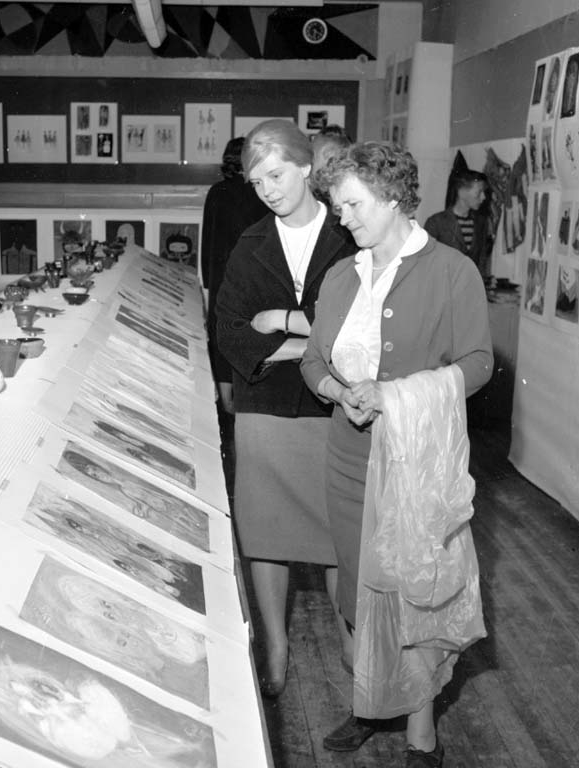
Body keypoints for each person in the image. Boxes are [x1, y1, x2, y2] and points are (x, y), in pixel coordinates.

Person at [301, 141, 492, 767]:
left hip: (414, 462)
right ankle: (370, 700)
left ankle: (420, 729)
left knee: (413, 592)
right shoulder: (340, 276)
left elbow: (479, 362)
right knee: (360, 589)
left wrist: (397, 395)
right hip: (348, 459)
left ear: (391, 197)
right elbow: (313, 360)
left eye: (352, 205)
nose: (343, 218)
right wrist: (337, 391)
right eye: (338, 207)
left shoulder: (451, 271)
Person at [215, 119, 355, 697]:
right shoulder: (250, 244)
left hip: (335, 409)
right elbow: (229, 330)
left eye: (276, 175)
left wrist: (283, 325)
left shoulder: (350, 234)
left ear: (306, 168)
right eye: (256, 182)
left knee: (338, 534)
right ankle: (275, 644)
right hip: (265, 409)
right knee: (264, 532)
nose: (267, 190)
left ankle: (350, 638)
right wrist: (309, 345)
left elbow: (361, 322)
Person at [201, 137, 266, 419]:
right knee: (252, 331)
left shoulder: (217, 191)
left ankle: (225, 398)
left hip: (221, 276)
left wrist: (208, 282)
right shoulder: (261, 192)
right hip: (255, 278)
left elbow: (207, 241)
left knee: (222, 332)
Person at [424, 169, 491, 276]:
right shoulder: (436, 222)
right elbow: (426, 262)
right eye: (479, 192)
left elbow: (482, 261)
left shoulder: (481, 223)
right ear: (461, 192)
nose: (483, 197)